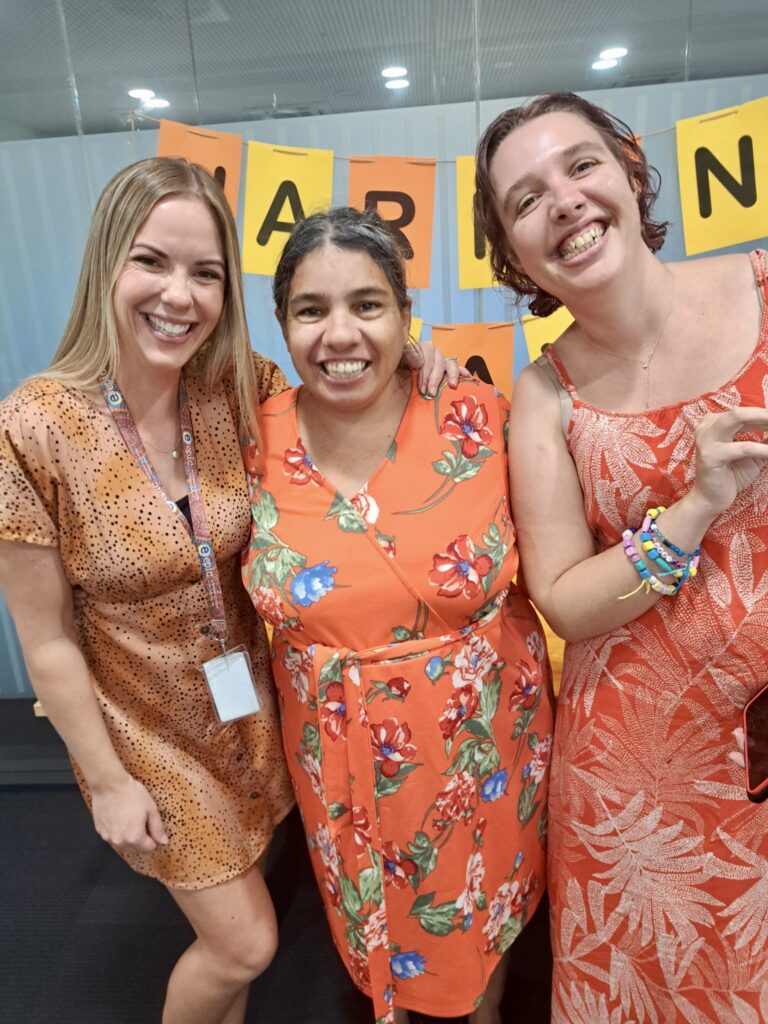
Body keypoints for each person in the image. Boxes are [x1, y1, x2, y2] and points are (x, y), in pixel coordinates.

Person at [0, 157, 456, 1024]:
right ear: (106, 263)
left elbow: (343, 380)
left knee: (240, 943)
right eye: (152, 262)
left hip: (251, 709)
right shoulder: (34, 427)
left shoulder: (235, 386)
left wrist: (413, 353)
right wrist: (107, 783)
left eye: (205, 273)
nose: (180, 294)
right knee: (245, 942)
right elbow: (46, 640)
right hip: (147, 733)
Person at [474, 91, 768, 1023]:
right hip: (635, 777)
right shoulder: (541, 390)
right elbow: (562, 598)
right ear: (511, 255)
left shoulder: (764, 288)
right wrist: (693, 510)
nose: (561, 200)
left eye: (580, 166)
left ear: (631, 171)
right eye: (524, 201)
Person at [242, 206, 554, 1024]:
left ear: (405, 316)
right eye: (311, 309)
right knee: (372, 947)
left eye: (368, 305)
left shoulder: (480, 419)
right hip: (338, 756)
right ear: (282, 324)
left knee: (477, 962)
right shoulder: (246, 440)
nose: (339, 332)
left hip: (482, 748)